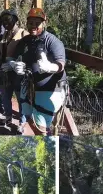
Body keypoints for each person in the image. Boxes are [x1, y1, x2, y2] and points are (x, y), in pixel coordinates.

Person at [4, 8, 66, 136]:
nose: (33, 26)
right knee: (28, 116)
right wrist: (13, 64)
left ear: (43, 23)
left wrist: (50, 67)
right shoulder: (25, 41)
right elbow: (14, 57)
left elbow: (61, 64)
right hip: (28, 85)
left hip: (49, 88)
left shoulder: (52, 41)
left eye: (37, 23)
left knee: (42, 126)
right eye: (30, 23)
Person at [0, 9, 28, 134]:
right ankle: (8, 117)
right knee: (5, 96)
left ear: (15, 19)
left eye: (8, 19)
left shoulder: (23, 34)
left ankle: (22, 122)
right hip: (5, 71)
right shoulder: (5, 34)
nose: (5, 22)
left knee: (20, 98)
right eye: (3, 20)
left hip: (18, 72)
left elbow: (27, 54)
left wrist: (16, 63)